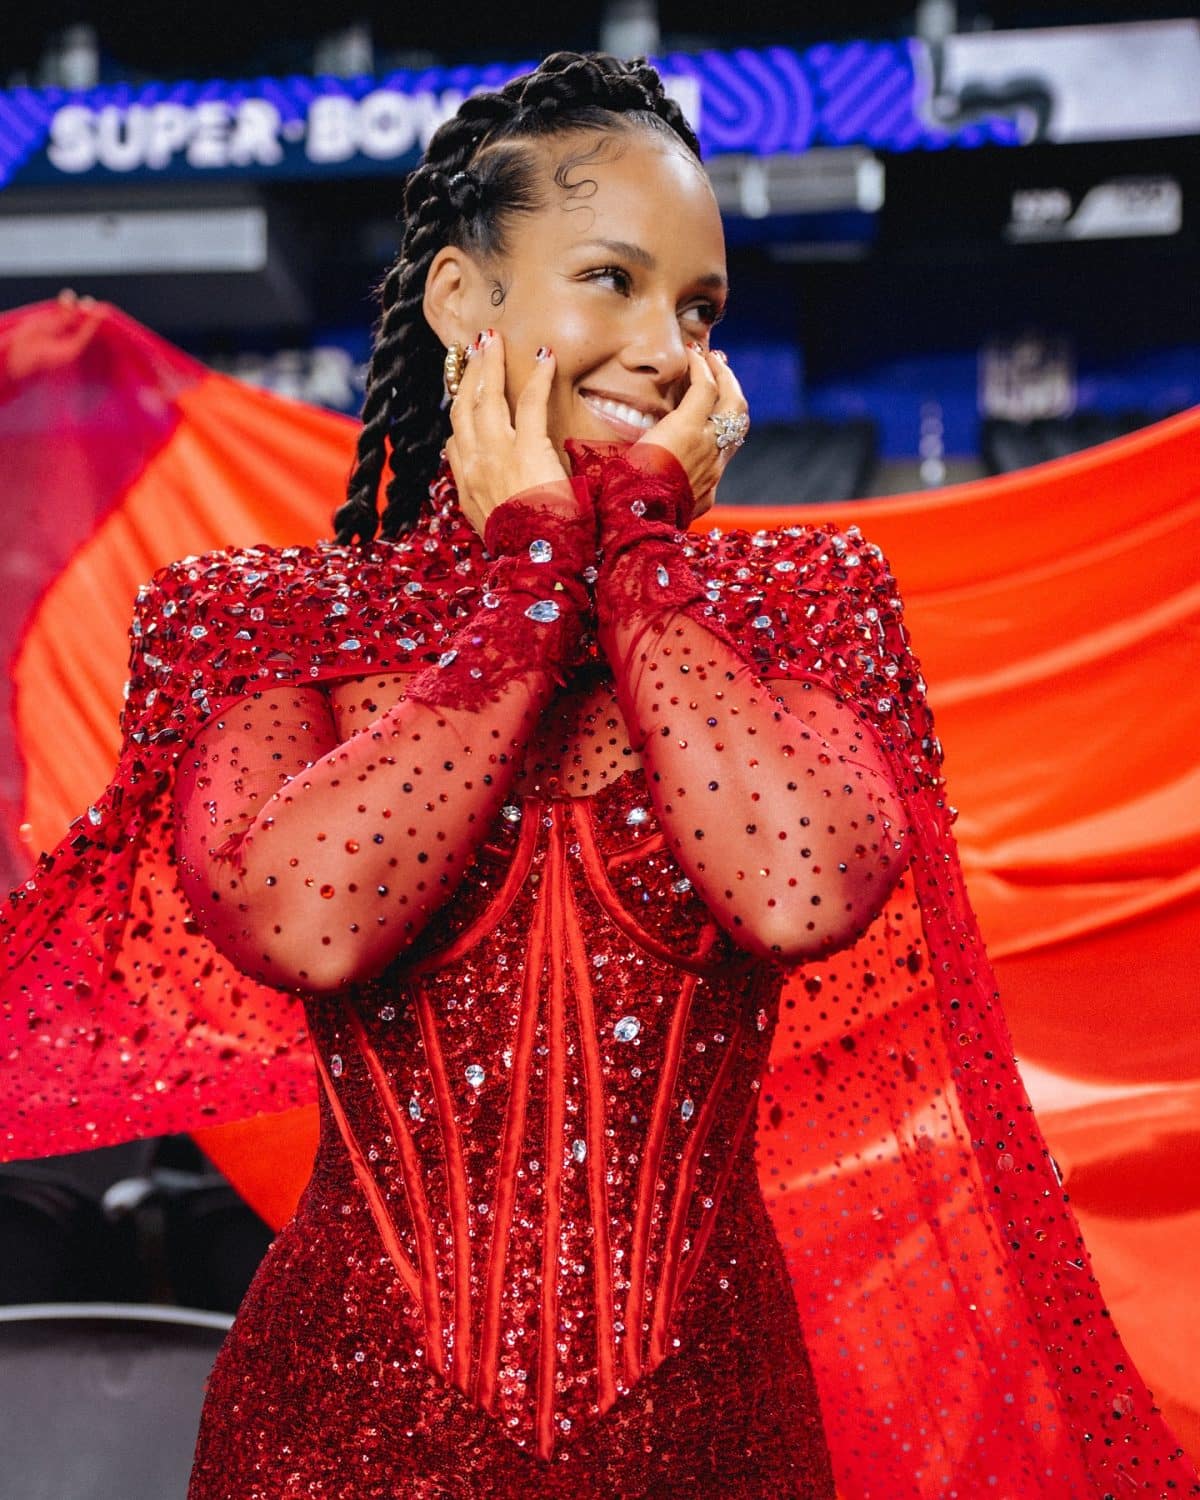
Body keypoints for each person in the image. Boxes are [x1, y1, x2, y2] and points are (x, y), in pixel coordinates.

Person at [1, 50, 1195, 1500]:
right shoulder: (263, 622)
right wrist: (527, 583)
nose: (666, 348)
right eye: (613, 281)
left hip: (713, 1441)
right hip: (342, 1439)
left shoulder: (803, 605)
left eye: (699, 310)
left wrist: (628, 558)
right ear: (461, 301)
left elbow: (797, 888)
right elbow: (310, 918)